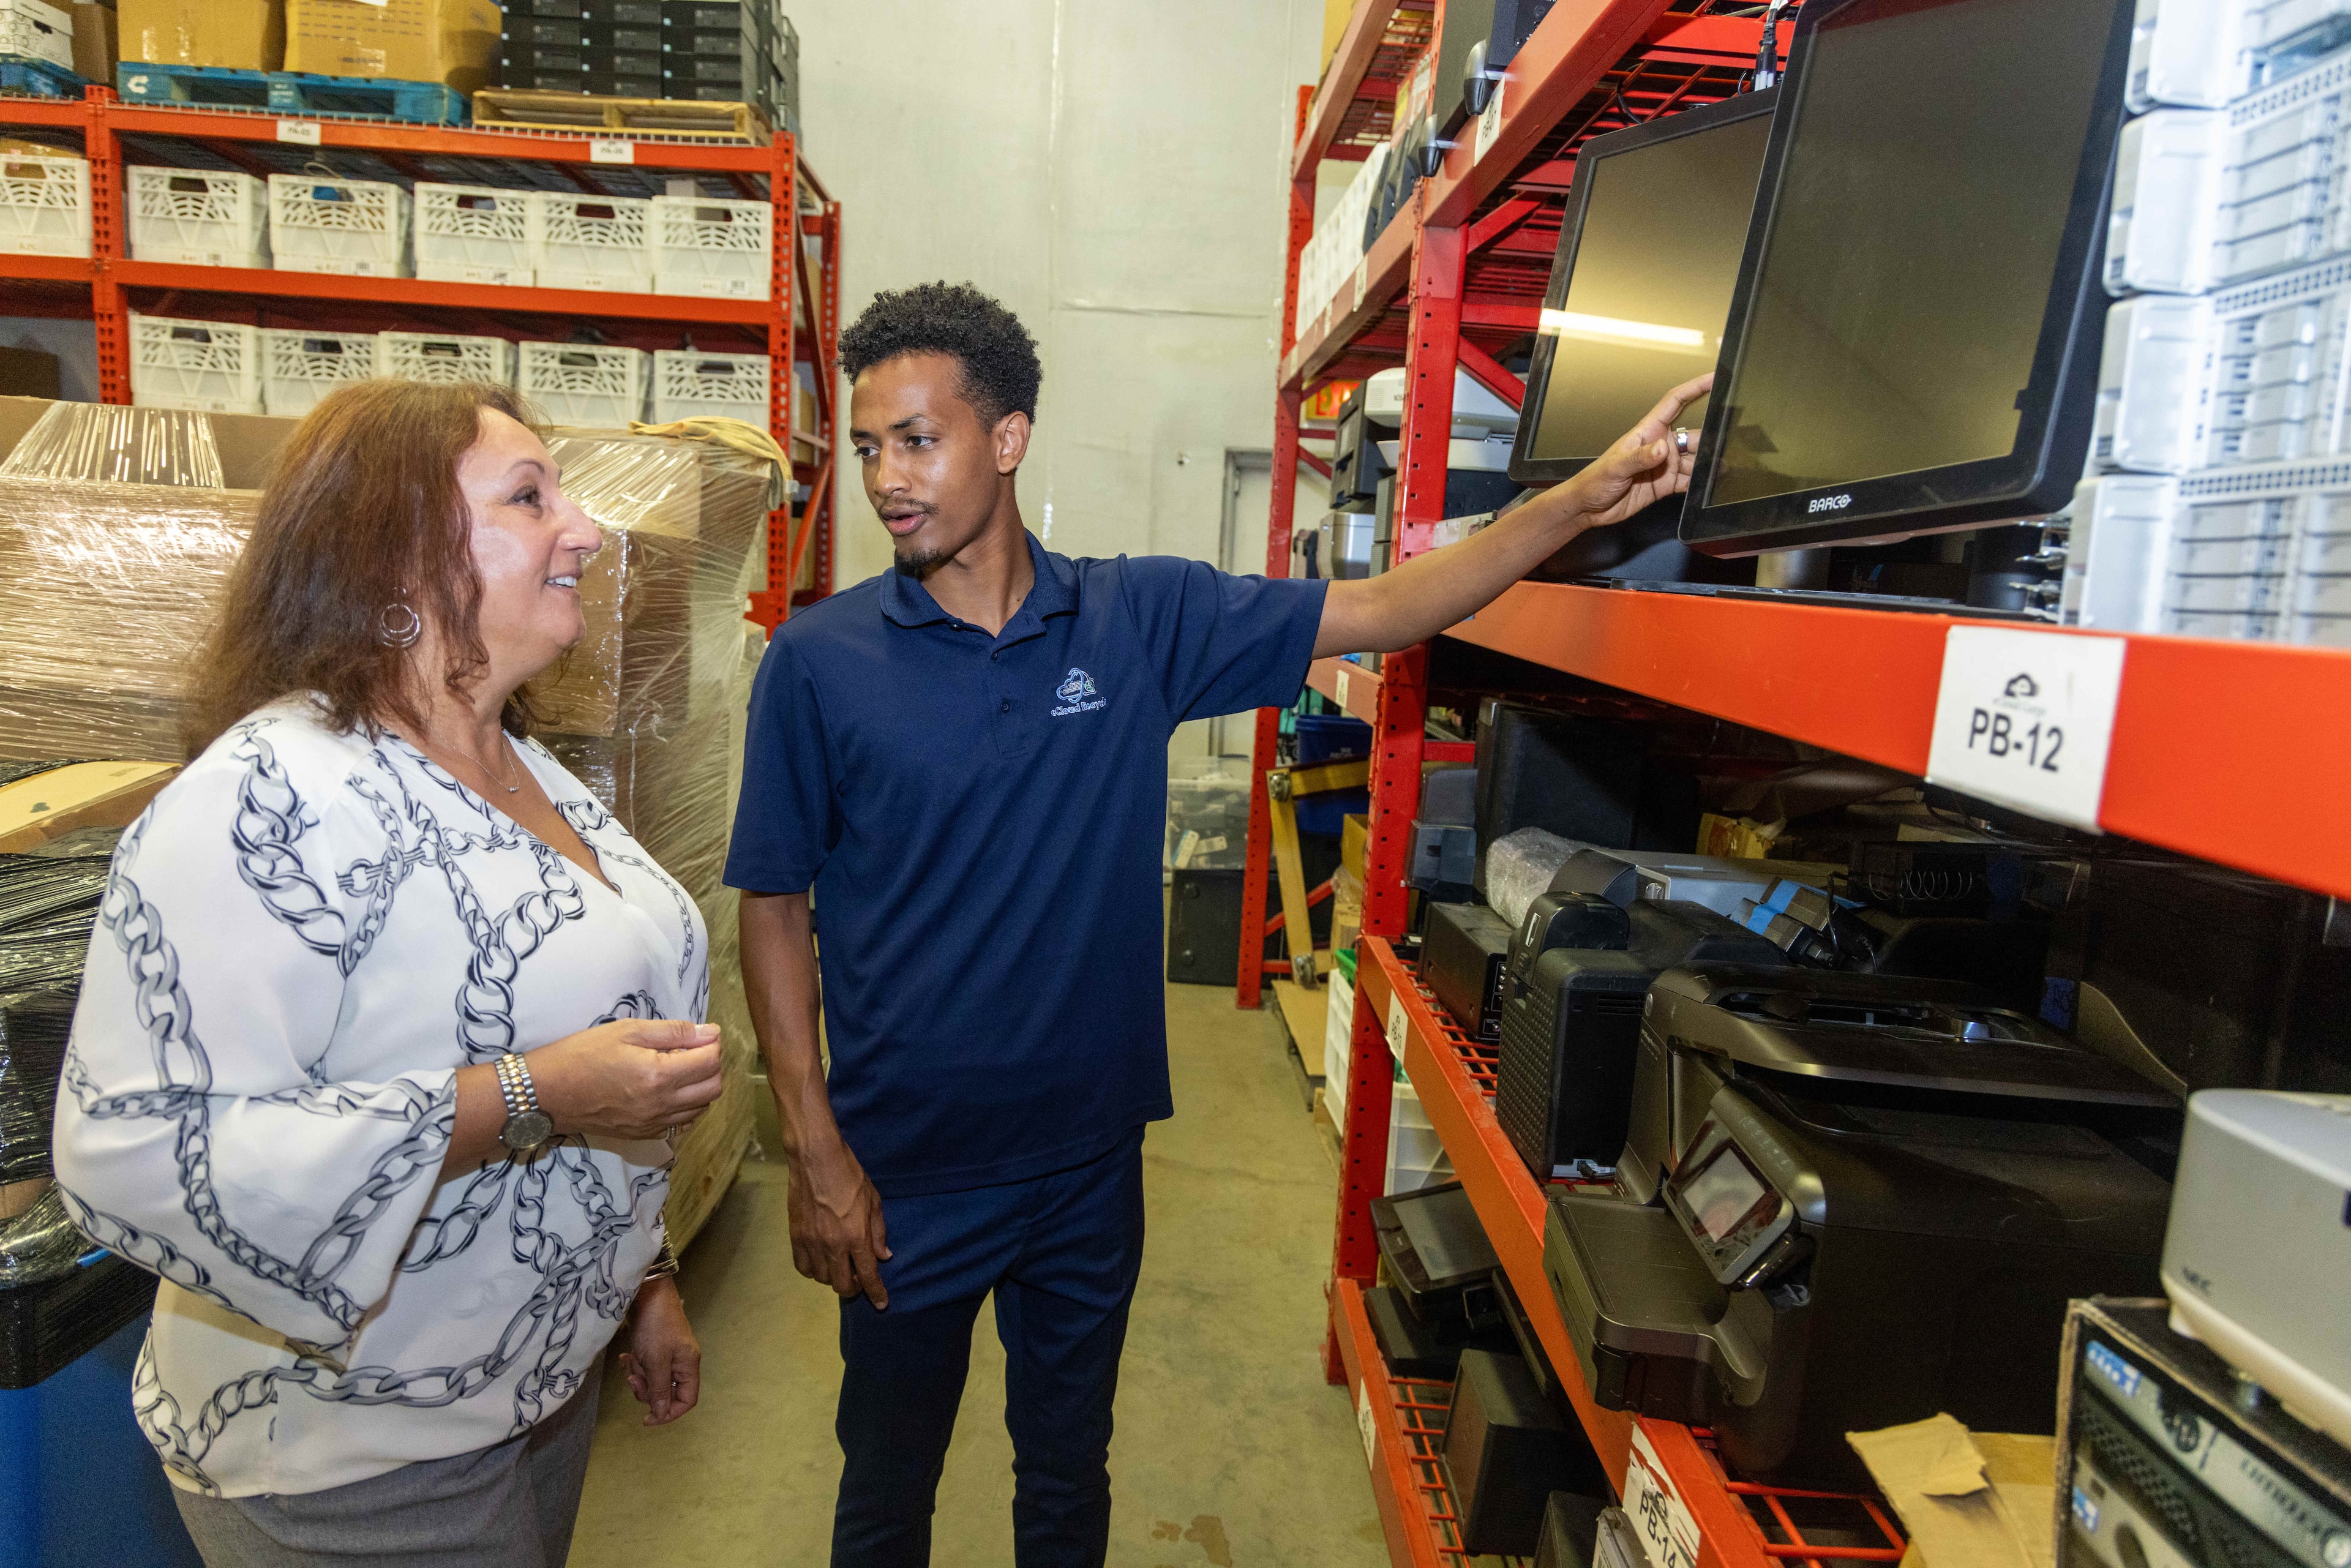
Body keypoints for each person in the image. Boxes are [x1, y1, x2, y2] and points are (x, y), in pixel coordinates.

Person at [726, 280, 1709, 1567]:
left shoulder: (1137, 619)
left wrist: (1579, 499)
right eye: (867, 448)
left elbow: (1392, 608)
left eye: (917, 440)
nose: (885, 479)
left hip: (1086, 1165)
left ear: (1008, 438)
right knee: (887, 1487)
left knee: (1069, 1475)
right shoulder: (820, 662)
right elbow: (775, 909)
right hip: (904, 1173)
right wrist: (814, 1151)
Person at [52, 380, 729, 1567]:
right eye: (530, 497)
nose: (584, 530)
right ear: (398, 555)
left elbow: (590, 1029)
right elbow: (138, 1151)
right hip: (351, 1454)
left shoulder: (520, 764)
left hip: (524, 1392)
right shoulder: (268, 801)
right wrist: (533, 1096)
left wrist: (645, 1278)